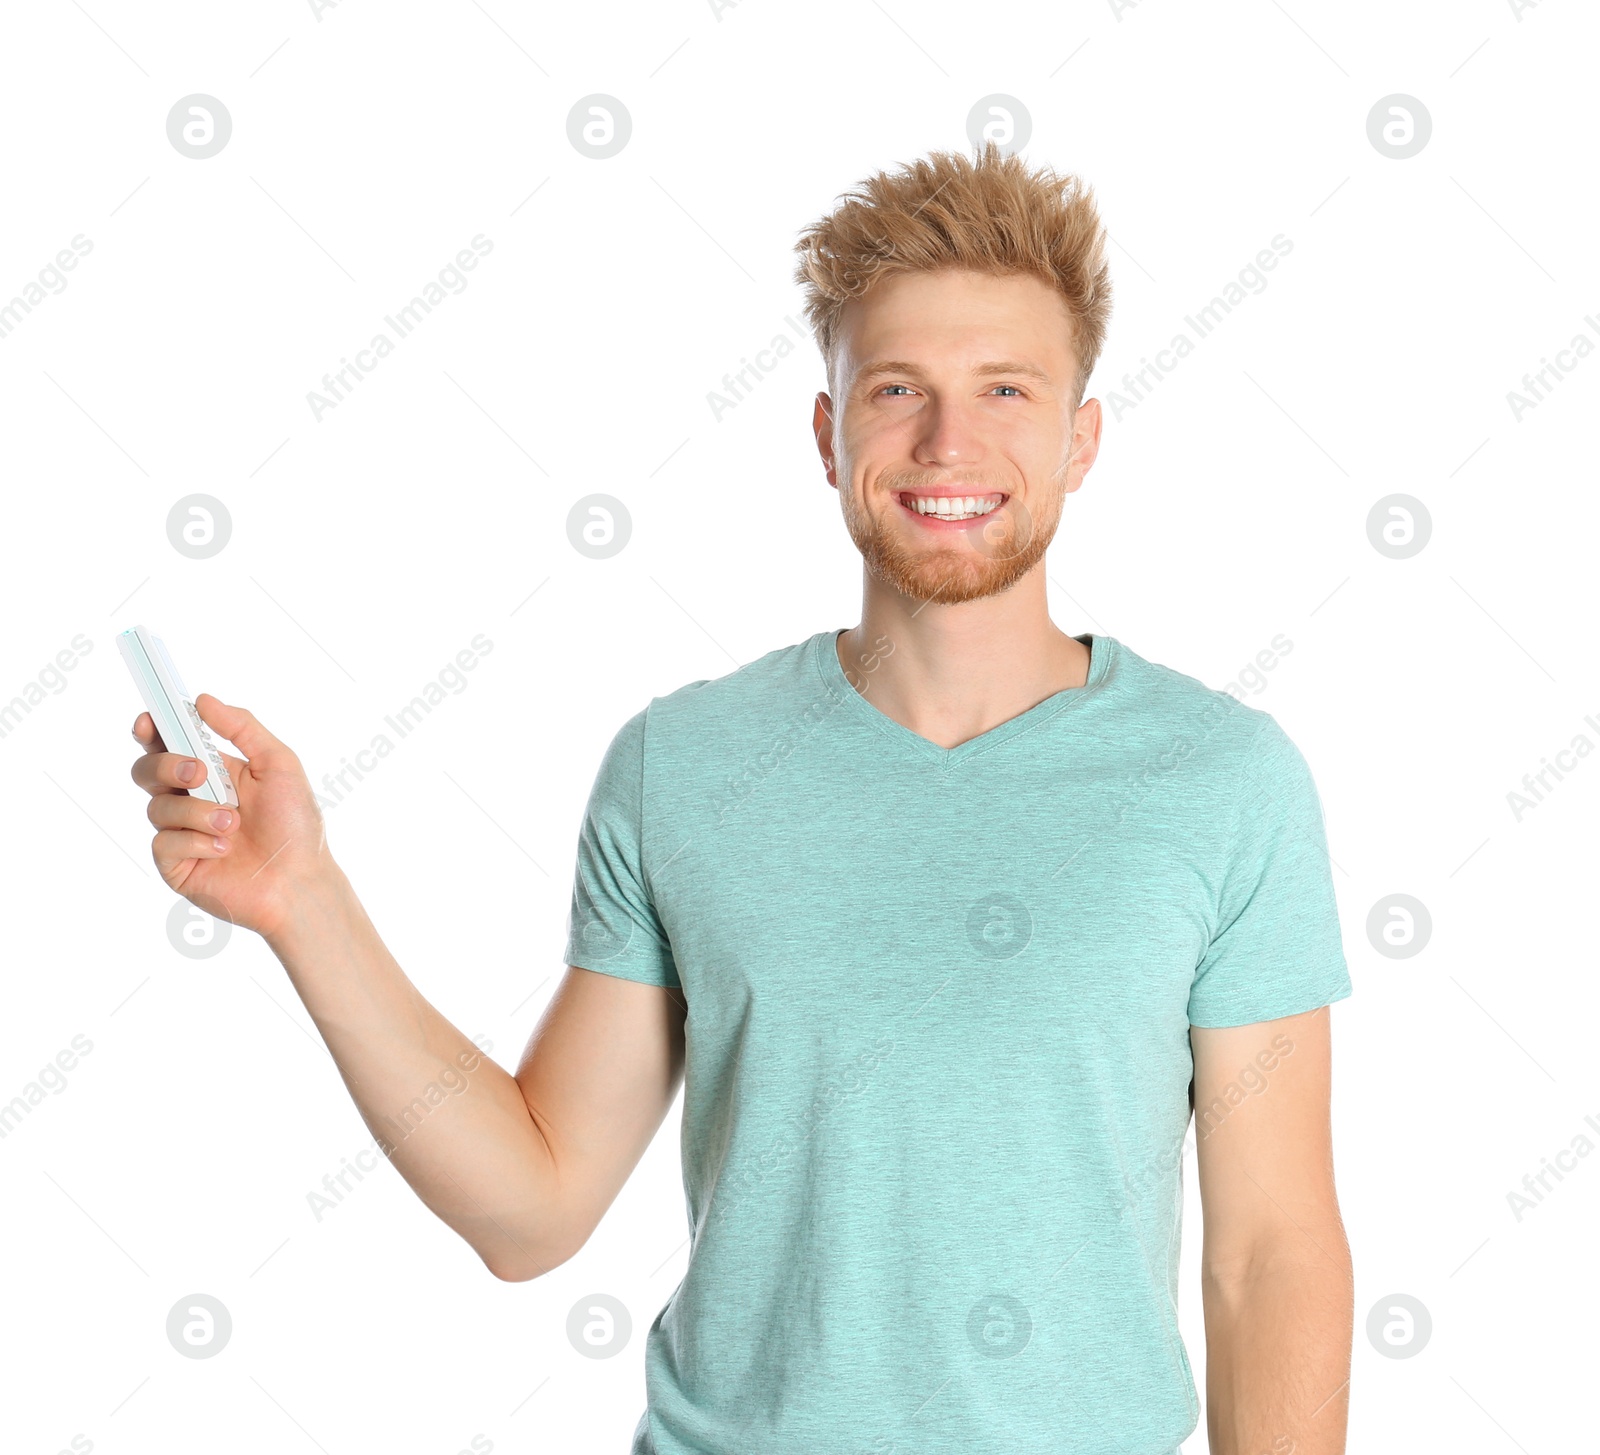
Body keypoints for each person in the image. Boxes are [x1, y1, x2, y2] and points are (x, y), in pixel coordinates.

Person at [129, 142, 1353, 1455]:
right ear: (829, 437)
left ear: (1081, 436)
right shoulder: (686, 769)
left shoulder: (1222, 782)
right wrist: (305, 904)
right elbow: (531, 1210)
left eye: (1006, 387)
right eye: (898, 390)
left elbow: (1272, 1255)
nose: (950, 442)